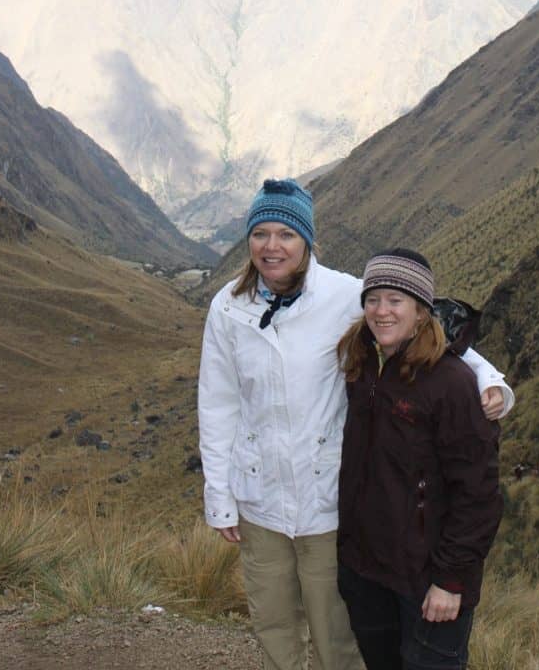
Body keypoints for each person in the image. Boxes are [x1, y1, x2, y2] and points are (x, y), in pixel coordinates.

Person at [198, 179, 513, 670]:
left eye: (286, 234)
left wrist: (489, 378)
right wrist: (220, 496)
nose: (272, 246)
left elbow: (430, 327)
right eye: (261, 233)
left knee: (335, 632)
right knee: (272, 619)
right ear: (249, 241)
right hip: (259, 495)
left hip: (328, 503)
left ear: (307, 242)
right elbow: (218, 403)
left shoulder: (348, 294)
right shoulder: (227, 307)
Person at [336, 248, 503, 670]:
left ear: (421, 310)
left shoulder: (451, 383)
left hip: (428, 579)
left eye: (396, 300)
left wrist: (451, 580)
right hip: (367, 571)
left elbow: (478, 493)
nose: (382, 311)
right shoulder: (362, 365)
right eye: (373, 299)